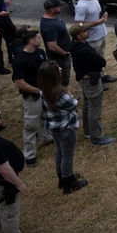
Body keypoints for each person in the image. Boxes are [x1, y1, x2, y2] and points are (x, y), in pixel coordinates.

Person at [37, 61, 87, 194]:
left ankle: (61, 178)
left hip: (54, 128)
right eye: (56, 68)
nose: (60, 68)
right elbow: (73, 103)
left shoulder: (42, 91)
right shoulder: (60, 94)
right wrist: (72, 96)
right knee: (68, 155)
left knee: (59, 152)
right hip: (66, 129)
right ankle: (69, 182)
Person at [67, 25, 115, 146]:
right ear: (79, 36)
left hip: (84, 80)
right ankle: (97, 138)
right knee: (95, 109)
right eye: (85, 31)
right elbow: (101, 61)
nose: (88, 31)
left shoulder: (75, 46)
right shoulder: (84, 49)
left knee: (88, 104)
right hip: (90, 80)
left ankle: (88, 130)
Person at [12, 29, 52, 167]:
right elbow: (19, 82)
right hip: (32, 98)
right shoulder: (20, 60)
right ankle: (29, 155)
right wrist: (37, 91)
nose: (41, 39)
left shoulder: (40, 53)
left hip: (44, 92)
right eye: (39, 38)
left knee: (44, 117)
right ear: (31, 41)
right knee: (31, 126)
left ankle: (46, 138)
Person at [72, 0, 117, 83]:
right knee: (92, 60)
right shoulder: (81, 6)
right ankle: (95, 79)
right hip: (92, 37)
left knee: (100, 56)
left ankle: (102, 75)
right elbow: (79, 25)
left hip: (101, 34)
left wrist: (104, 15)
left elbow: (96, 14)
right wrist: (96, 23)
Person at [0, 108, 26, 233]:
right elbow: (4, 169)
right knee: (9, 217)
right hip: (3, 187)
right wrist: (19, 184)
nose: (0, 119)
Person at [39, 0, 72, 86]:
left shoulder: (54, 18)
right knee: (61, 80)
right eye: (58, 7)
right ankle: (63, 97)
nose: (60, 8)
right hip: (60, 58)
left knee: (64, 78)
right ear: (52, 9)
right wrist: (65, 54)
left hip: (63, 56)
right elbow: (52, 47)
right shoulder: (50, 26)